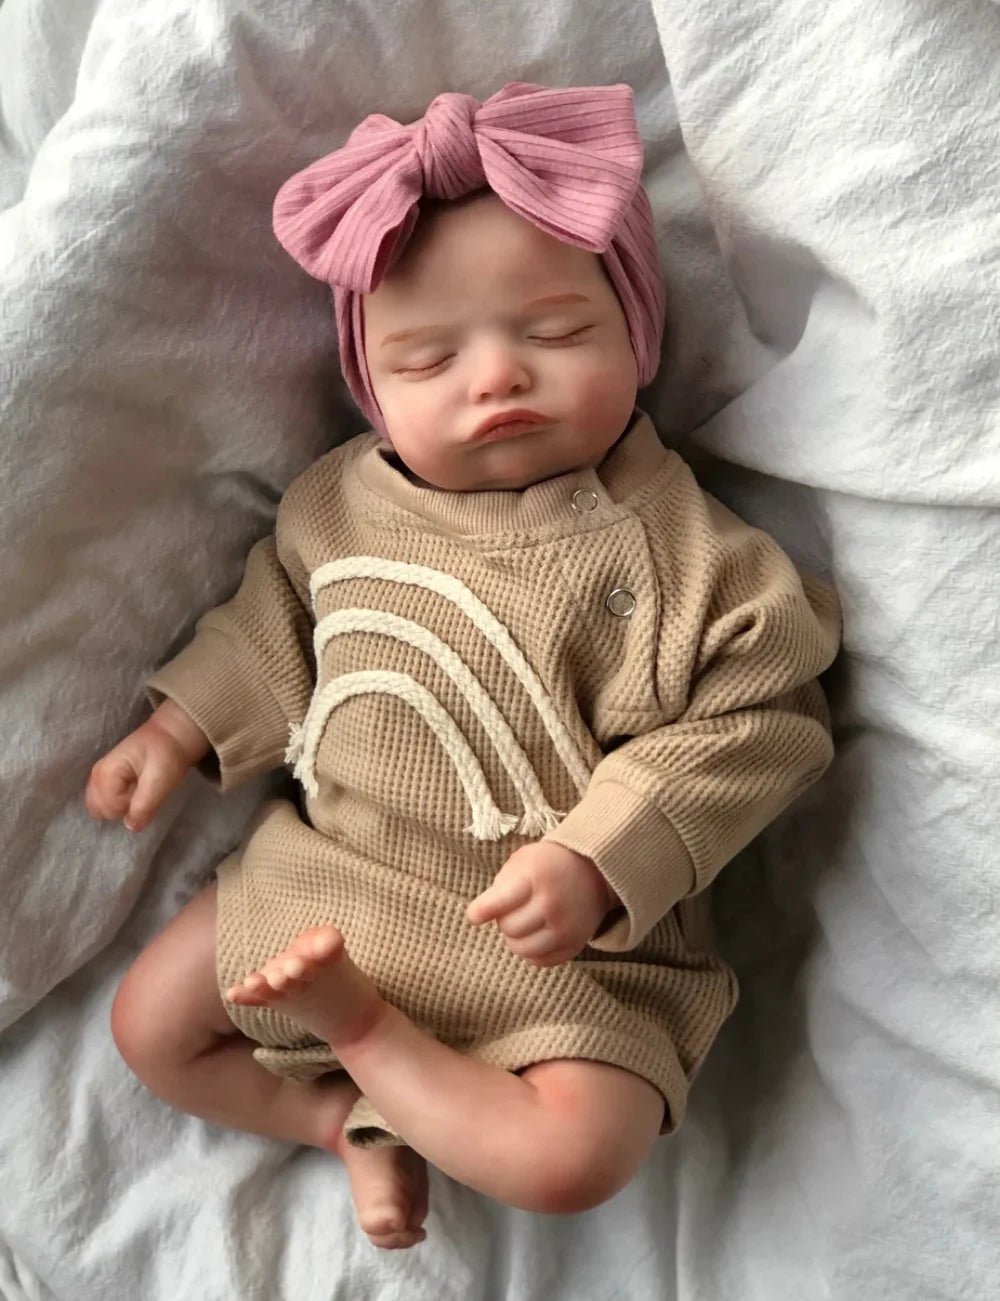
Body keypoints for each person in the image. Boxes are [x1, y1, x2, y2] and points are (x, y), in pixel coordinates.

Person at [86, 83, 839, 1251]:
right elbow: (271, 623)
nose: (493, 378)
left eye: (554, 333)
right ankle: (347, 1122)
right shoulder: (337, 505)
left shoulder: (691, 554)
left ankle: (368, 1043)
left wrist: (600, 856)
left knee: (574, 1158)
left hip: (561, 949)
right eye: (428, 357)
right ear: (371, 386)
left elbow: (760, 721)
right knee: (150, 1028)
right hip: (335, 887)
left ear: (636, 336)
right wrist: (175, 729)